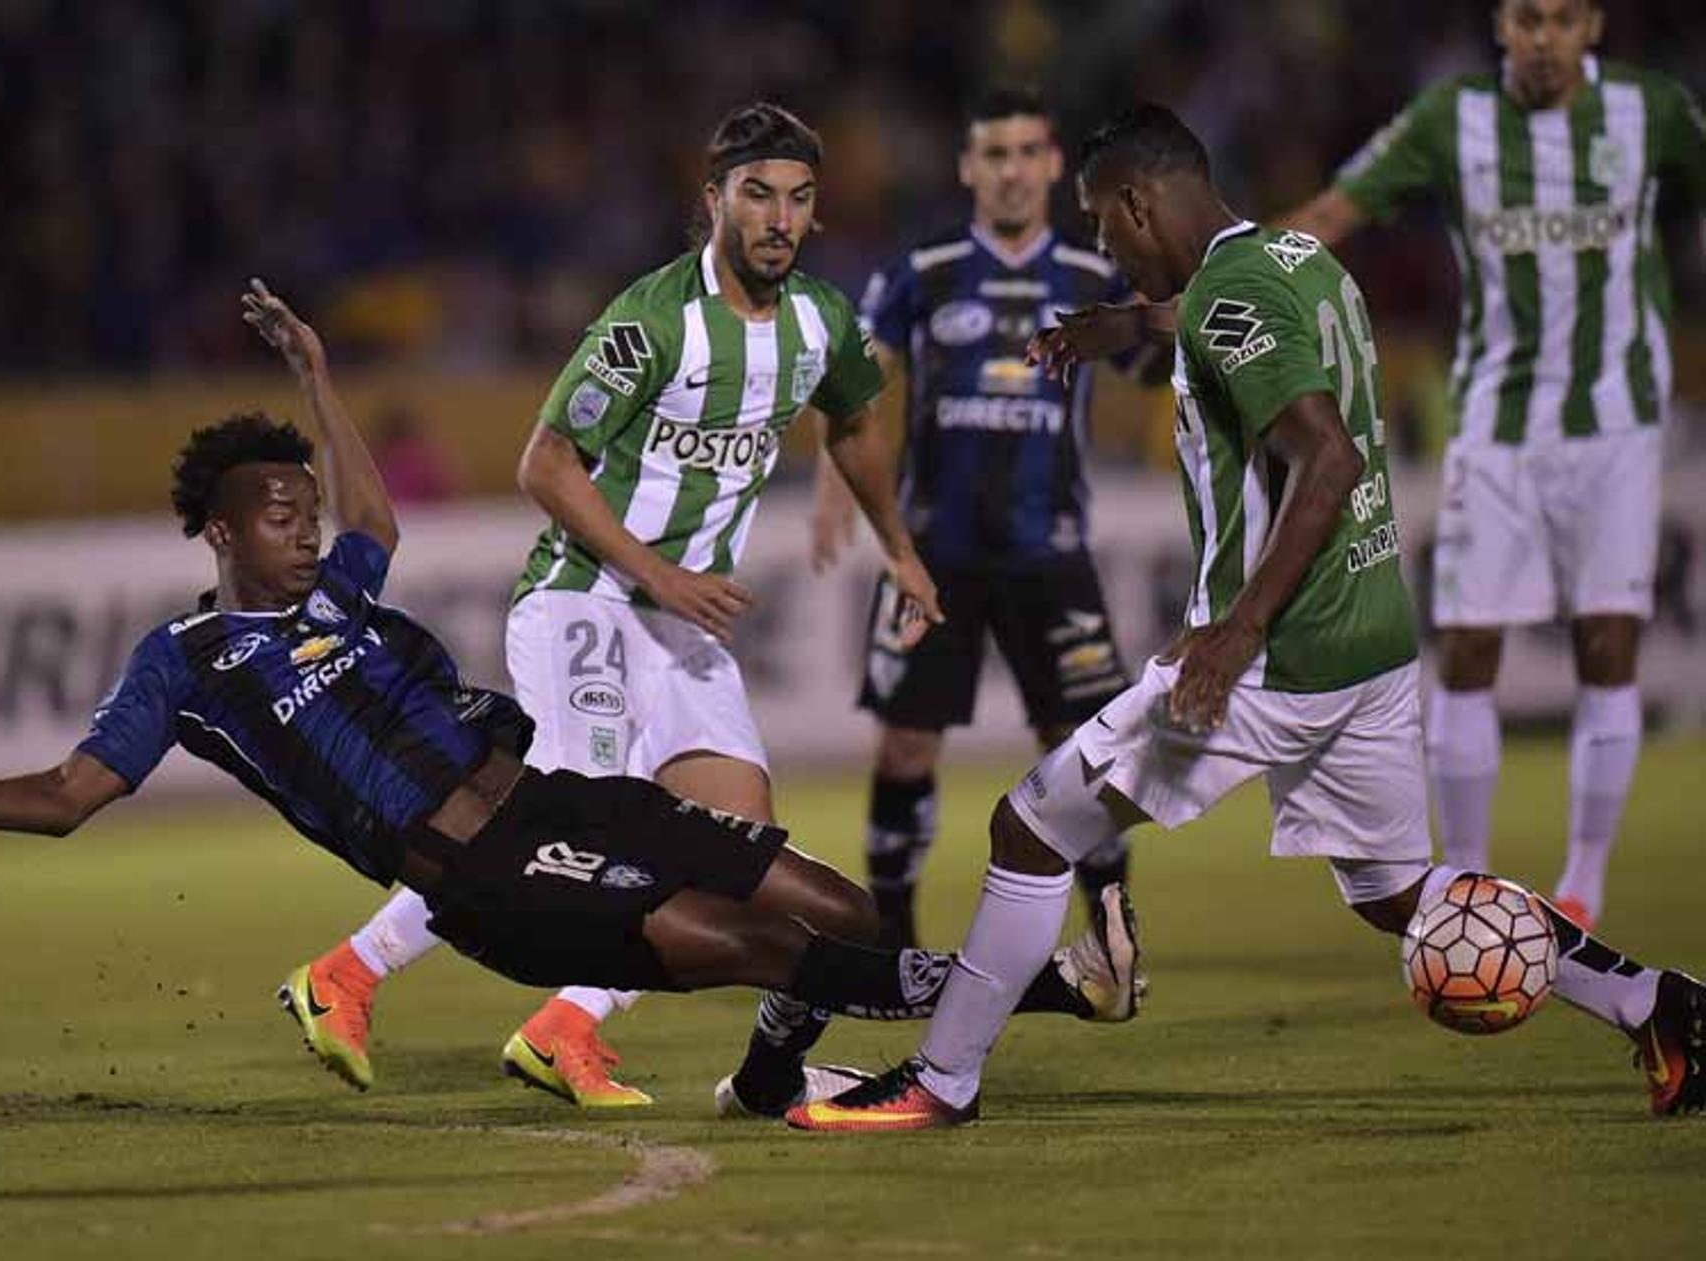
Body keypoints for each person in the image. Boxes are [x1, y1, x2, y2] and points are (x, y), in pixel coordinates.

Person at [0, 280, 1135, 1105]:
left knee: (823, 899)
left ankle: (783, 1072)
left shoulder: (341, 590)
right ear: (218, 535)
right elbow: (66, 796)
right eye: (276, 514)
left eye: (304, 505)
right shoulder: (189, 664)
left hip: (567, 796)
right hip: (492, 871)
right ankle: (1047, 989)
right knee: (756, 945)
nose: (304, 524)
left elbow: (372, 508)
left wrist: (318, 380)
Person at [786, 105, 1704, 1131]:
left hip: (1275, 658)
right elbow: (1226, 321)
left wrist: (1238, 630)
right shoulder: (1296, 258)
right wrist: (1124, 327)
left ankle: (940, 1081)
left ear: (1140, 202)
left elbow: (1327, 457)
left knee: (1032, 826)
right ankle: (1658, 1001)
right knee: (1397, 890)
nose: (1104, 245)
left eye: (1103, 224)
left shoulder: (1232, 290)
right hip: (1371, 639)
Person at [276, 103, 947, 1110]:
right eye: (758, 194)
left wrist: (900, 550)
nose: (780, 217)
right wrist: (661, 572)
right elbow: (544, 465)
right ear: (713, 198)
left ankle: (565, 1024)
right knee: (559, 840)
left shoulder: (821, 323)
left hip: (685, 629)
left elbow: (854, 422)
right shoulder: (653, 319)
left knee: (734, 844)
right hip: (585, 599)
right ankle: (348, 971)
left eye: (799, 198)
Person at [1278, 0, 1706, 930]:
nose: (1543, 37)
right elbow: (1331, 212)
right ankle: (1466, 889)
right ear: (1500, 27)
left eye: (1560, 18)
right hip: (1495, 422)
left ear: (1592, 27)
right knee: (1470, 648)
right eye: (1525, 18)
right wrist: (1234, 283)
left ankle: (1582, 883)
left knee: (1609, 642)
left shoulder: (1653, 110)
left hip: (1619, 422)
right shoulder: (1450, 119)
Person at [811, 84, 1139, 949]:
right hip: (936, 554)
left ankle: (1110, 928)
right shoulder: (924, 271)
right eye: (995, 154)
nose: (1012, 170)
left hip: (1051, 549)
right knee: (907, 747)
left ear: (1055, 165)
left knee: (1080, 747)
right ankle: (891, 944)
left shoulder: (1094, 278)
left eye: (1028, 152)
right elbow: (859, 380)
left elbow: (1164, 373)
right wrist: (829, 485)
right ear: (968, 167)